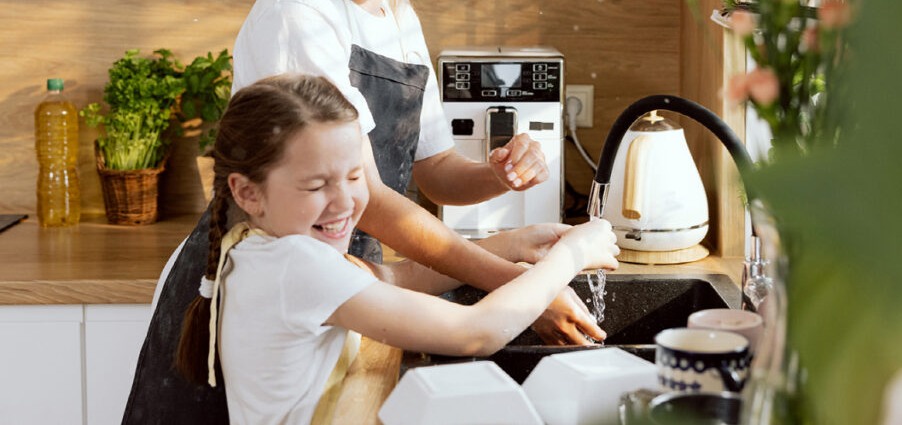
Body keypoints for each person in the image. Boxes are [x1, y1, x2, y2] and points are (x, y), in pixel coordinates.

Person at [123, 0, 604, 424]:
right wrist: (514, 279)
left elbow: (433, 172)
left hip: (351, 275)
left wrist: (497, 175)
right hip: (288, 286)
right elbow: (366, 197)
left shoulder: (399, 17)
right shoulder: (299, 14)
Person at [175, 74, 619, 424]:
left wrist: (508, 244)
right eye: (315, 185)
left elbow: (392, 278)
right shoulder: (295, 264)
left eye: (354, 178)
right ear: (248, 193)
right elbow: (477, 332)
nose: (346, 202)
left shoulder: (260, 247)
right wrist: (573, 254)